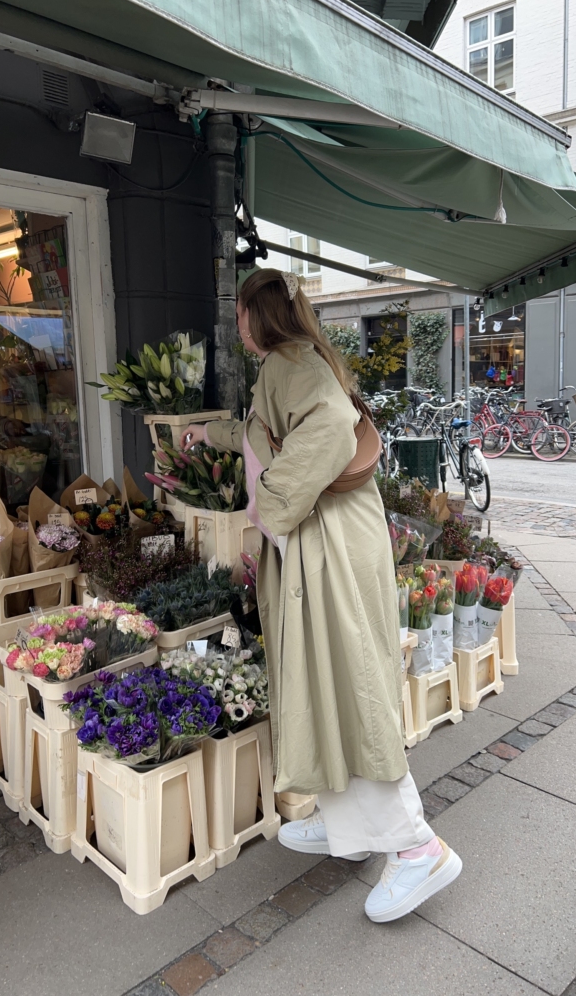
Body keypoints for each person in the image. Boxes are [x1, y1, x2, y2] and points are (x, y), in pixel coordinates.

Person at [182, 268, 461, 923]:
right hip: (326, 545)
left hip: (328, 549)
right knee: (330, 684)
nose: (236, 324)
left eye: (239, 312)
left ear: (258, 314)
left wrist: (273, 503)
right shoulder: (292, 362)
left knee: (349, 688)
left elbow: (331, 425)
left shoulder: (290, 362)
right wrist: (213, 438)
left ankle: (417, 849)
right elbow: (266, 432)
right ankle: (347, 825)